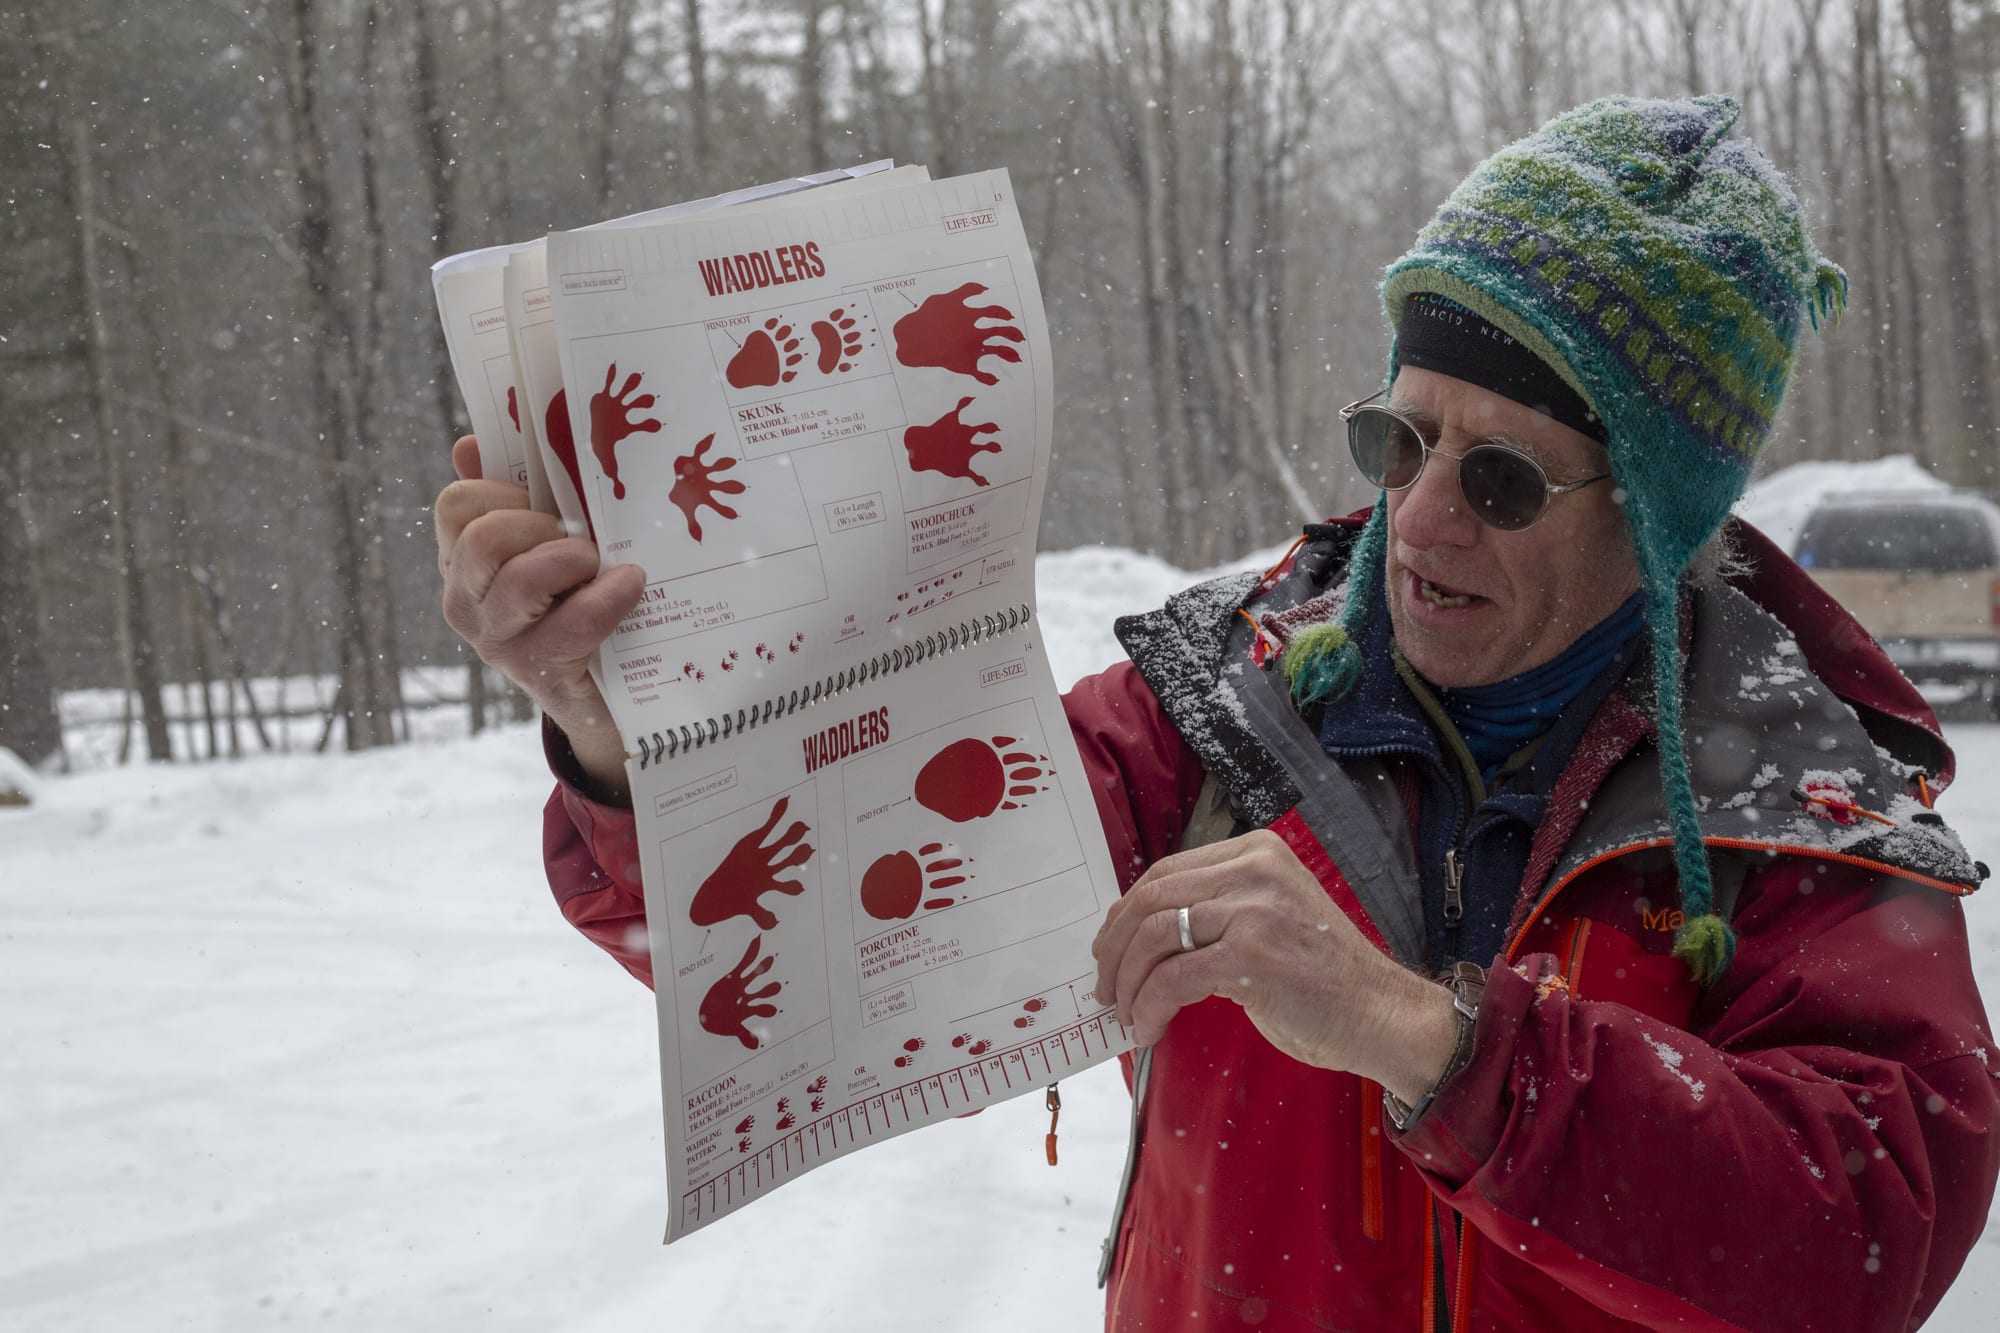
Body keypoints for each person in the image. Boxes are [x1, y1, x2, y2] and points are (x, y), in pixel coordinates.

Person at [435, 95, 2000, 1330]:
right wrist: (624, 736)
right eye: (1402, 437)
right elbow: (842, 932)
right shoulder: (1217, 701)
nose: (1425, 519)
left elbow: (1862, 1234)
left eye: (1503, 476)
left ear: (1657, 516)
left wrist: (1434, 1042)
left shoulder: (1806, 806)